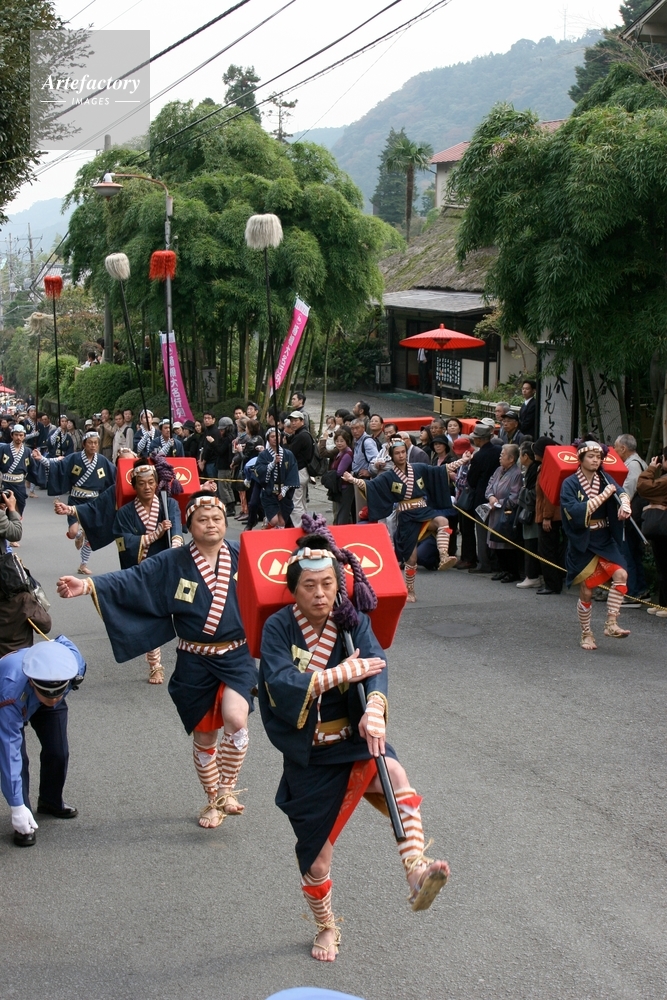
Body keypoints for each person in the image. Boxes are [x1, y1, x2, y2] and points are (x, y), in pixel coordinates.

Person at [258, 531, 450, 962]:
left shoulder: (351, 620)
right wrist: (338, 674)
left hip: (352, 741)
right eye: (310, 585)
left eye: (327, 583)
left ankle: (416, 870)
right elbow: (279, 682)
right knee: (316, 862)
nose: (320, 593)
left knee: (393, 772)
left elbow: (376, 663)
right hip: (311, 755)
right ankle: (327, 925)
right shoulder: (279, 627)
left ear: (338, 584)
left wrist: (375, 708)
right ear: (294, 589)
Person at [56, 492, 258, 829]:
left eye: (217, 519)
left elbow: (281, 569)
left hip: (236, 654)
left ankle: (226, 790)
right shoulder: (172, 560)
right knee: (205, 738)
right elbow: (134, 578)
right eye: (202, 520)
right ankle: (212, 799)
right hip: (195, 658)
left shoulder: (245, 554)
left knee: (237, 720)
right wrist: (88, 585)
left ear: (226, 523)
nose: (211, 524)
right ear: (189, 525)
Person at [344, 438, 457, 601]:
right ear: (392, 456)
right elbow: (370, 486)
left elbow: (441, 470)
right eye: (397, 453)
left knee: (443, 521)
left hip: (424, 510)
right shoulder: (388, 476)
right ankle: (410, 590)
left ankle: (444, 555)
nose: (401, 455)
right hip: (406, 517)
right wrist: (352, 479)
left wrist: (463, 461)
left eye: (403, 452)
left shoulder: (418, 468)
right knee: (412, 558)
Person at [0, 637, 86, 847]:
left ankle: (50, 801)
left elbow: (64, 641)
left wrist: (52, 696)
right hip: (15, 699)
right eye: (48, 695)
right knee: (19, 760)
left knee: (58, 751)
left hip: (42, 689)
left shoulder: (74, 664)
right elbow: (9, 753)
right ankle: (23, 819)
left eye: (58, 694)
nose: (53, 699)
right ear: (32, 683)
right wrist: (16, 806)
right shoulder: (9, 692)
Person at [110, 458, 184, 683]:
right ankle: (155, 665)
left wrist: (176, 547)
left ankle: (192, 659)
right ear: (134, 486)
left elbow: (178, 530)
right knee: (152, 617)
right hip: (143, 569)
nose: (147, 487)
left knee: (187, 612)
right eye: (141, 483)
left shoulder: (168, 505)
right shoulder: (125, 513)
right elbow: (123, 543)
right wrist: (153, 535)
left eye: (151, 482)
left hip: (169, 566)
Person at [560, 440, 632, 650]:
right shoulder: (570, 483)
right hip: (582, 540)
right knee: (587, 590)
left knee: (621, 574)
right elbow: (575, 511)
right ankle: (586, 632)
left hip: (604, 538)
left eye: (599, 457)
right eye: (591, 456)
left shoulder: (605, 478)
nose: (595, 460)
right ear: (580, 459)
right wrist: (604, 495)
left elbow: (621, 492)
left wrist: (625, 505)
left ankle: (611, 623)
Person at [34, 430, 116, 576]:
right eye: (90, 443)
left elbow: (116, 475)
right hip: (76, 499)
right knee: (72, 533)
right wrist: (41, 459)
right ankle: (79, 535)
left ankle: (83, 564)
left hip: (93, 502)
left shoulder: (102, 461)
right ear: (84, 444)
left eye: (96, 443)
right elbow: (57, 466)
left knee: (91, 535)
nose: (93, 445)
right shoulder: (74, 458)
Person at [613, 434, 648, 607]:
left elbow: (627, 491)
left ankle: (632, 592)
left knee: (628, 554)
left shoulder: (633, 465)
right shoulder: (640, 463)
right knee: (634, 553)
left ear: (623, 448)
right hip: (636, 515)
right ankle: (641, 589)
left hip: (630, 516)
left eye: (616, 447)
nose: (614, 451)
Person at [466, 424, 501, 574]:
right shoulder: (499, 451)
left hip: (481, 498)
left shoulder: (479, 456)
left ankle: (484, 563)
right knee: (495, 531)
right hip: (499, 495)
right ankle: (496, 562)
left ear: (479, 440)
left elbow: (471, 480)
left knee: (481, 532)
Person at [485, 443, 523, 583]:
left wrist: (498, 502)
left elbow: (515, 497)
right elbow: (489, 486)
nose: (500, 457)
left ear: (511, 459)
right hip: (494, 511)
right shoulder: (498, 470)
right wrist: (491, 497)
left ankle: (512, 572)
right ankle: (503, 569)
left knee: (506, 544)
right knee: (496, 542)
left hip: (506, 513)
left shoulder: (517, 474)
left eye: (503, 455)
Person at [636, 449, 667, 617]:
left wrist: (651, 468)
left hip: (663, 527)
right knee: (662, 567)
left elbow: (643, 487)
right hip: (662, 527)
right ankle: (662, 603)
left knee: (664, 567)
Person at [250, 428, 299, 528]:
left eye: (277, 436)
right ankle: (267, 525)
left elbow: (292, 472)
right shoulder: (263, 455)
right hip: (269, 491)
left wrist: (284, 490)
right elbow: (259, 470)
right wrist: (272, 464)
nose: (275, 438)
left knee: (282, 522)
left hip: (284, 491)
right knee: (274, 520)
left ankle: (278, 536)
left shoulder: (288, 454)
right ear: (268, 439)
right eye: (272, 436)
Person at [515, 442, 541, 588]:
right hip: (532, 510)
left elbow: (533, 493)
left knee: (531, 543)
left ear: (526, 456)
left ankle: (532, 576)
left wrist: (522, 491)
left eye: (520, 454)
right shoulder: (533, 468)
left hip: (532, 511)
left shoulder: (534, 469)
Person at [0, 424, 39, 515]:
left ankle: (17, 524)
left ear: (24, 436)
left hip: (19, 484)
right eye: (16, 435)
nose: (18, 437)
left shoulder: (28, 451)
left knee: (19, 508)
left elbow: (33, 467)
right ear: (12, 435)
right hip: (5, 483)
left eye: (21, 435)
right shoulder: (3, 449)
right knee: (3, 508)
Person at [286, 411, 314, 524]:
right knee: (301, 502)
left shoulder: (301, 436)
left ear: (302, 421)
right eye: (291, 421)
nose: (293, 423)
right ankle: (306, 525)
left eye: (296, 420)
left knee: (295, 503)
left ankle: (299, 527)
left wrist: (285, 444)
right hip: (303, 471)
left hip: (299, 472)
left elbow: (290, 453)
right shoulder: (303, 434)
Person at [329, 428, 354, 525]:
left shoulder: (347, 454)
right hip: (340, 487)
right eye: (337, 441)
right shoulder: (340, 452)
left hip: (346, 486)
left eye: (342, 441)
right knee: (341, 512)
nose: (339, 443)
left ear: (347, 441)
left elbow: (339, 472)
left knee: (343, 513)